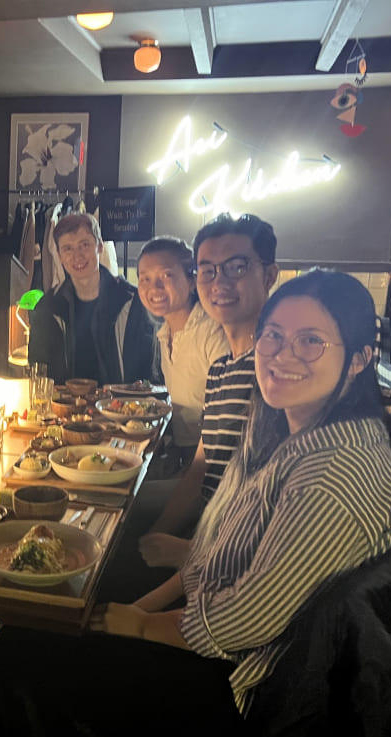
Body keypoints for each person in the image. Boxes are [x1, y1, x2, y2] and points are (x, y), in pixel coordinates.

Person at [0, 269, 391, 737]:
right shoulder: (299, 428)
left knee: (16, 665)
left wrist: (140, 626)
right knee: (42, 621)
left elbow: (244, 621)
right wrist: (150, 604)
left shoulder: (331, 476)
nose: (282, 354)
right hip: (235, 654)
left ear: (359, 360)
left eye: (311, 342)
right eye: (273, 335)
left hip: (244, 700)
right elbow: (226, 546)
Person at [135, 213, 279, 577]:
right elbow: (204, 471)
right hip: (206, 531)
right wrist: (161, 535)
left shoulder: (277, 374)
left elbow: (275, 514)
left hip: (233, 565)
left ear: (270, 275)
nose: (220, 283)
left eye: (237, 267)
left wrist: (189, 552)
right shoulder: (222, 371)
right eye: (210, 271)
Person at [27, 212, 156, 386]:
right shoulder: (47, 307)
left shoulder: (134, 302)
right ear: (58, 254)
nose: (77, 256)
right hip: (65, 408)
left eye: (84, 245)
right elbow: (39, 371)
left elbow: (150, 372)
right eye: (68, 249)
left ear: (100, 247)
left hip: (122, 408)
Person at [136, 235, 228, 463]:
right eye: (144, 279)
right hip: (182, 453)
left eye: (166, 276)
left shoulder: (212, 333)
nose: (154, 288)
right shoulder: (164, 333)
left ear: (191, 281)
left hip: (212, 463)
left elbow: (228, 422)